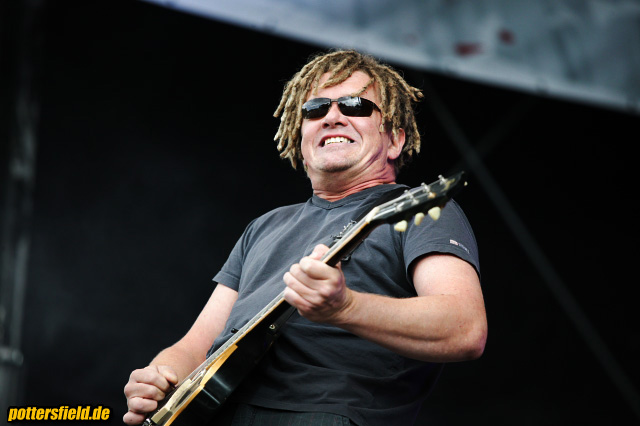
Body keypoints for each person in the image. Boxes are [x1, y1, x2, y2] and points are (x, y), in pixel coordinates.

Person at [123, 49, 487, 426]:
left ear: (395, 140)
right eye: (315, 109)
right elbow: (196, 345)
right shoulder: (264, 226)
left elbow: (465, 328)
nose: (332, 117)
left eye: (355, 105)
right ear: (301, 140)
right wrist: (159, 377)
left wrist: (346, 308)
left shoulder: (420, 212)